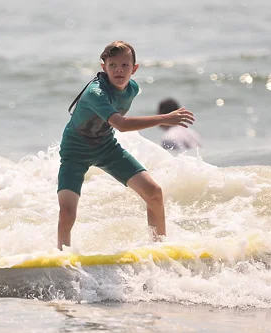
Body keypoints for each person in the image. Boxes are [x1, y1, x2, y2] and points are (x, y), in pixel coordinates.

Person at [57, 41, 195, 250]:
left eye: (124, 65)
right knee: (67, 212)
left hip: (106, 147)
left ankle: (159, 249)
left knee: (154, 193)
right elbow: (120, 124)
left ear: (135, 68)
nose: (119, 70)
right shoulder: (95, 93)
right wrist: (164, 119)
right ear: (103, 66)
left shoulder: (132, 89)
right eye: (112, 65)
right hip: (75, 152)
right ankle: (61, 258)